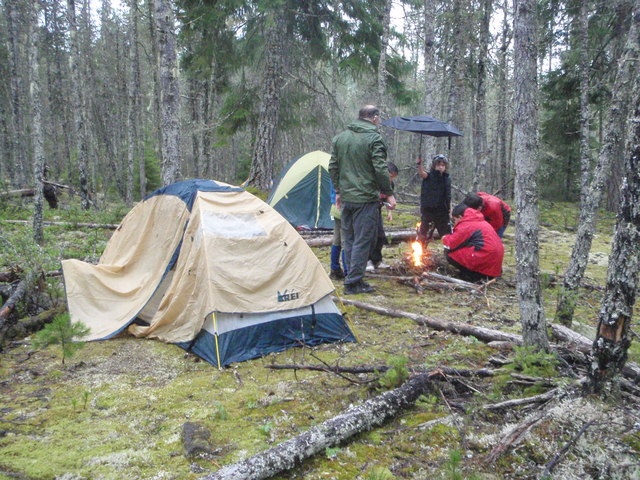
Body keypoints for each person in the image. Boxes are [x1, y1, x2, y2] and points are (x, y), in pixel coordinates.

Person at [329, 105, 396, 295]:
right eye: (378, 118)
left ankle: (352, 278)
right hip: (365, 198)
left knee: (349, 240)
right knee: (363, 240)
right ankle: (353, 282)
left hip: (347, 198)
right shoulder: (374, 139)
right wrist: (388, 192)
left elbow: (333, 167)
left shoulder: (340, 138)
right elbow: (380, 168)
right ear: (374, 118)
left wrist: (338, 191)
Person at [441, 203, 504, 283]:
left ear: (460, 217)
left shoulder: (466, 224)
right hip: (493, 262)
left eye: (455, 219)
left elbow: (451, 243)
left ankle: (472, 275)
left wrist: (444, 238)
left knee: (449, 253)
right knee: (463, 248)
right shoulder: (480, 221)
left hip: (486, 256)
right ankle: (483, 274)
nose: (455, 222)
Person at [367, 162, 398, 271]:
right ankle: (367, 260)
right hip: (368, 210)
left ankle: (377, 260)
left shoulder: (390, 185)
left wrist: (389, 212)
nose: (391, 179)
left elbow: (387, 200)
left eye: (393, 177)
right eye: (390, 176)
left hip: (378, 210)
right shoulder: (374, 182)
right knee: (370, 236)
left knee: (380, 236)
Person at [416, 154, 452, 244]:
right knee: (424, 234)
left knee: (446, 234)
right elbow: (422, 173)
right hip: (428, 211)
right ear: (434, 165)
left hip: (442, 212)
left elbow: (448, 196)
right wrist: (419, 164)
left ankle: (449, 250)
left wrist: (450, 210)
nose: (440, 167)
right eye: (438, 165)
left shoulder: (447, 179)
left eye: (443, 165)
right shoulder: (429, 176)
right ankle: (420, 249)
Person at [329, 183, 348, 279]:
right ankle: (348, 272)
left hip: (334, 207)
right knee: (346, 242)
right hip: (343, 207)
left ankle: (334, 269)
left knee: (336, 240)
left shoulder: (333, 175)